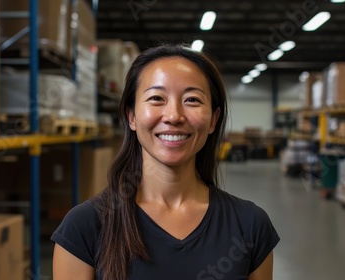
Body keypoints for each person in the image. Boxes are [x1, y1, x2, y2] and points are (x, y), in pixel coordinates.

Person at [51, 45, 280, 280]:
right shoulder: (84, 227)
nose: (173, 116)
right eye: (156, 98)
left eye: (192, 100)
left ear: (213, 120)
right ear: (131, 116)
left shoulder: (250, 225)